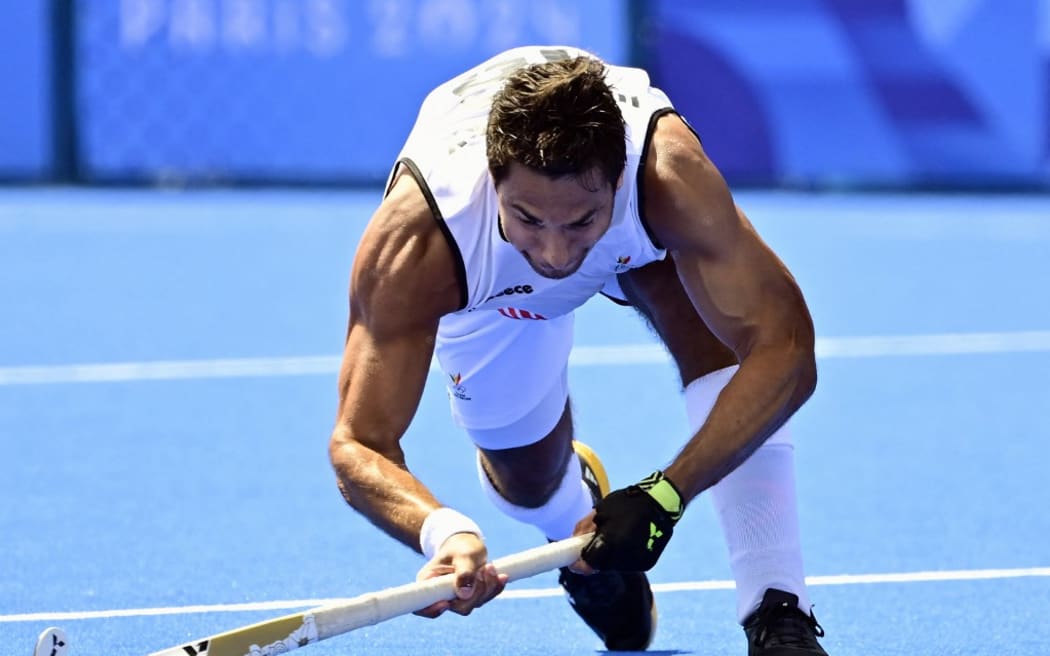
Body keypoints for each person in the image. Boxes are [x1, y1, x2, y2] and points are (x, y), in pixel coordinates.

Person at [328, 45, 829, 655]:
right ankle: (572, 520)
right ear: (494, 179)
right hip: (490, 291)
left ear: (619, 179)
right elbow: (358, 444)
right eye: (530, 218)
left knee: (722, 342)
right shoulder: (421, 239)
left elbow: (786, 349)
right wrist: (443, 531)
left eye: (581, 222)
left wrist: (665, 495)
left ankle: (778, 612)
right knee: (525, 480)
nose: (558, 256)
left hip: (634, 248)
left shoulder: (664, 178)